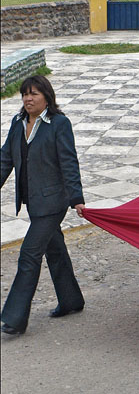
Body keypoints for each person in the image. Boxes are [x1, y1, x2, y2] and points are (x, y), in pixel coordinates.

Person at [1, 76, 86, 335]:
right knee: (55, 250)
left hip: (52, 203)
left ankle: (14, 318)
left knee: (29, 254)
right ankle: (71, 301)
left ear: (47, 97)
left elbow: (69, 162)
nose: (28, 99)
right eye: (25, 94)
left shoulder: (59, 124)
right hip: (33, 201)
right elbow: (5, 158)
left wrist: (76, 198)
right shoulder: (18, 123)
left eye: (34, 94)